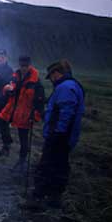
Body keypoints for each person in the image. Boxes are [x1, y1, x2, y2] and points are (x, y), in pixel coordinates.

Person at [32, 60, 85, 208]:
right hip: (65, 136)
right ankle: (54, 197)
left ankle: (38, 197)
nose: (52, 80)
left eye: (52, 76)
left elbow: (66, 112)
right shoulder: (71, 86)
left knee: (47, 165)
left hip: (59, 136)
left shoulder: (66, 87)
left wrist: (58, 133)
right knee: (60, 165)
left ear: (57, 74)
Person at [0, 56, 45, 172]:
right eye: (22, 66)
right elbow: (9, 90)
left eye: (26, 66)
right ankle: (6, 145)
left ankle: (22, 161)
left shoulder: (36, 82)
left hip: (25, 114)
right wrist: (7, 90)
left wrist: (35, 115)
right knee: (0, 122)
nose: (23, 68)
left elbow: (40, 102)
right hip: (12, 110)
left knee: (23, 138)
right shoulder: (16, 76)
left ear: (30, 65)